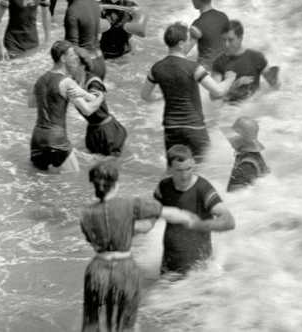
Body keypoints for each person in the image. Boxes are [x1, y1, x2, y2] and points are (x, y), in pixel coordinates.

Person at [77, 155, 185, 331]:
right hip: (124, 268)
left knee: (91, 324)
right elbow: (161, 212)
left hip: (97, 269)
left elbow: (93, 239)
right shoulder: (129, 204)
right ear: (116, 183)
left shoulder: (85, 213)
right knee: (126, 325)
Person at [154, 143, 234, 277]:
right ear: (169, 169)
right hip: (169, 269)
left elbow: (229, 221)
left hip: (197, 274)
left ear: (193, 164)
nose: (185, 175)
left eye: (188, 169)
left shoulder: (203, 189)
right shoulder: (163, 187)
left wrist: (199, 225)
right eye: (179, 170)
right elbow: (151, 217)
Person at [142, 23, 211, 162]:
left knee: (175, 170)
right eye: (186, 41)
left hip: (171, 128)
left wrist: (161, 97)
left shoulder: (156, 68)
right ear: (181, 43)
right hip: (194, 127)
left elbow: (145, 96)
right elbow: (218, 91)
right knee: (202, 167)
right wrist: (230, 78)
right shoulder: (194, 67)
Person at [30, 40, 103, 171]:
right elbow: (88, 110)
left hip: (37, 139)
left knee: (39, 181)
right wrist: (100, 97)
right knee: (73, 177)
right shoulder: (67, 82)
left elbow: (31, 104)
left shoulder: (40, 80)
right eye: (72, 55)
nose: (75, 58)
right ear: (63, 58)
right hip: (57, 139)